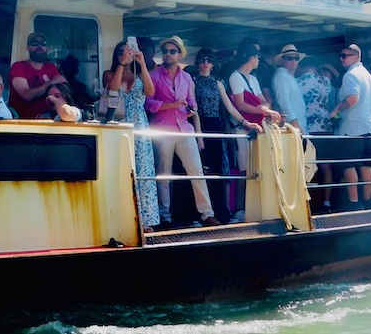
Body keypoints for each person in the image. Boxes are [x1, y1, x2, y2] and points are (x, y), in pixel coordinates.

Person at [144, 36, 220, 229]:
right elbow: (147, 103)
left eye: (172, 51)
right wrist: (171, 105)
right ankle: (165, 215)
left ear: (179, 54)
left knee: (196, 171)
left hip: (184, 129)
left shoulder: (187, 77)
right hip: (162, 129)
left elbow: (191, 101)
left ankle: (207, 214)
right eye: (166, 51)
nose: (168, 54)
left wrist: (191, 108)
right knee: (164, 175)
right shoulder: (153, 76)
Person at [193, 47, 257, 224]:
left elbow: (230, 107)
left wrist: (245, 122)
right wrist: (199, 137)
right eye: (202, 59)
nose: (205, 63)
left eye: (209, 60)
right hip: (199, 126)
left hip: (216, 126)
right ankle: (201, 214)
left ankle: (222, 213)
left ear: (213, 64)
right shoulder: (192, 81)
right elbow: (194, 110)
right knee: (200, 170)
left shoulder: (218, 82)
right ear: (198, 62)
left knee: (218, 171)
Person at [104, 40, 159, 231]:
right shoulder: (110, 73)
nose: (125, 53)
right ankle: (122, 217)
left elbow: (151, 92)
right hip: (119, 124)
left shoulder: (139, 75)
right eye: (121, 51)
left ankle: (146, 220)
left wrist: (142, 63)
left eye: (128, 51)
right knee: (120, 169)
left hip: (140, 124)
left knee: (143, 171)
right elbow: (112, 88)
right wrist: (122, 62)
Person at [328, 44, 371, 210]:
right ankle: (368, 201)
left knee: (349, 165)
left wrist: (334, 111)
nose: (342, 58)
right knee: (366, 164)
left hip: (353, 127)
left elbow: (352, 99)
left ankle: (354, 203)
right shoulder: (367, 75)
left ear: (356, 57)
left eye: (345, 55)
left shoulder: (350, 75)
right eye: (341, 55)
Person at [297, 58, 336, 212]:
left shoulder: (298, 82)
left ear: (302, 67)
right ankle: (327, 202)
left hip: (309, 128)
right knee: (326, 166)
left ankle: (309, 201)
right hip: (326, 127)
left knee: (307, 165)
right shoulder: (326, 81)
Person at [8, 32, 66, 118]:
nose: (39, 47)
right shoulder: (18, 67)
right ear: (28, 48)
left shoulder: (51, 68)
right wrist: (50, 82)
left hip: (49, 120)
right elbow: (26, 95)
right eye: (34, 43)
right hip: (22, 122)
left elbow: (63, 91)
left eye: (43, 44)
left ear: (47, 48)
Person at [228, 40, 282, 126]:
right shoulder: (235, 77)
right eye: (257, 57)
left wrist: (265, 107)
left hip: (256, 123)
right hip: (242, 125)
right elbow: (240, 104)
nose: (258, 60)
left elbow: (264, 101)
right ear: (252, 58)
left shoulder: (253, 79)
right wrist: (264, 111)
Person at [271, 44, 308, 133]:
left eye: (296, 58)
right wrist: (294, 121)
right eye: (290, 58)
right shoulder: (281, 76)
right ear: (282, 60)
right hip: (292, 126)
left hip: (299, 125)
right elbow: (283, 100)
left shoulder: (289, 76)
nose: (294, 61)